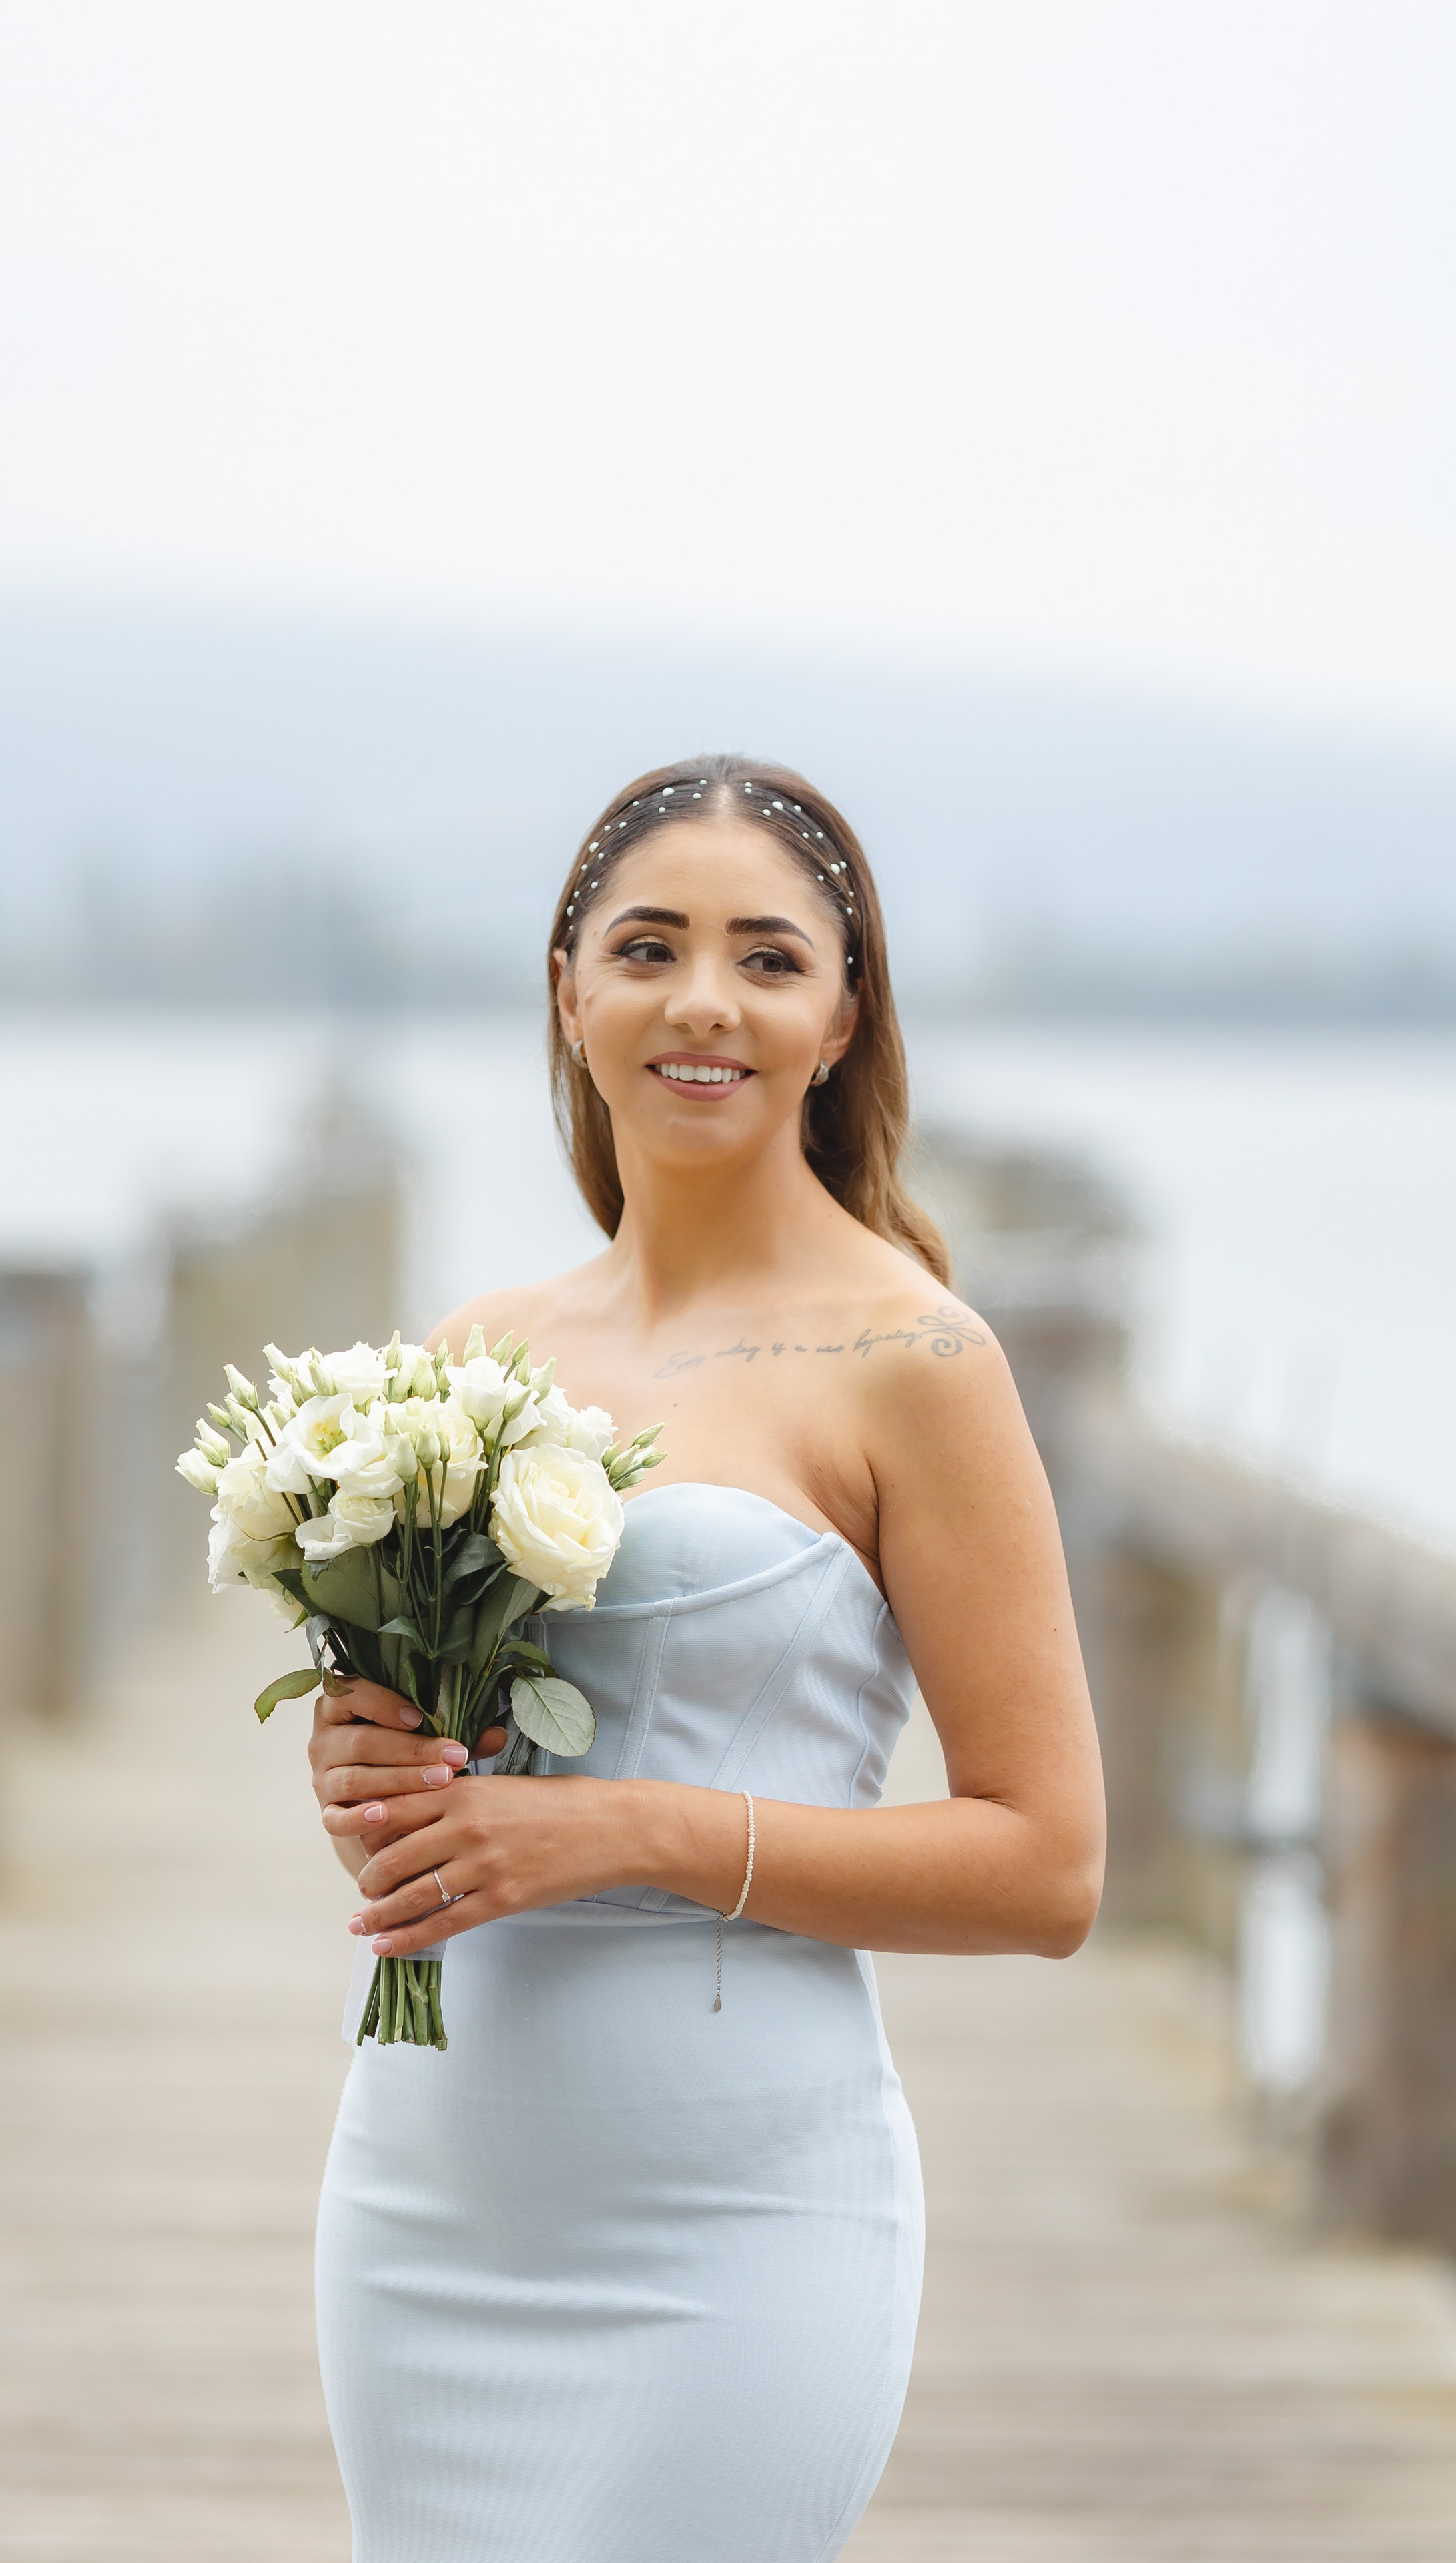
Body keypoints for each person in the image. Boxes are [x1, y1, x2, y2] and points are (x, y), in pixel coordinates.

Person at [307, 754, 1106, 2562]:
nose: (702, 1004)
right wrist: (369, 1776)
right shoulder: (478, 1346)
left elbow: (1049, 1870)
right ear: (569, 995)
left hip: (737, 2216)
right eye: (650, 947)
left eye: (768, 958)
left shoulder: (922, 1360)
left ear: (842, 1017)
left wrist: (639, 1835)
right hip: (429, 2191)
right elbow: (447, 1782)